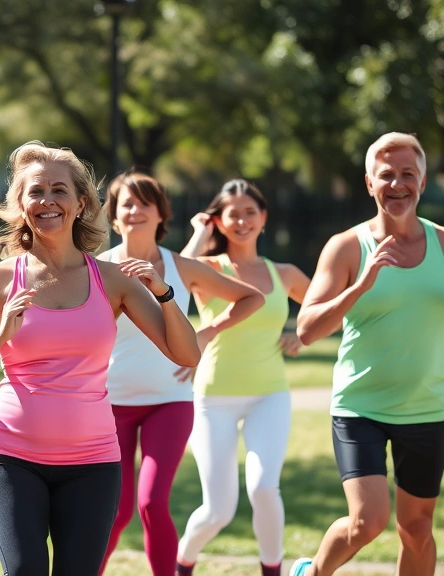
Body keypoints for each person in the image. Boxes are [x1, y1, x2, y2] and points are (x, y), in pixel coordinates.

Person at [0, 142, 205, 576]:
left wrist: (163, 293)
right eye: (35, 192)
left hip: (93, 464)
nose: (47, 201)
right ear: (20, 206)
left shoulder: (114, 279)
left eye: (59, 190)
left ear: (81, 203)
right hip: (12, 458)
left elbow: (186, 353)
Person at [289, 132, 444, 576]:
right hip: (361, 406)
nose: (398, 184)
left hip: (425, 409)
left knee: (416, 528)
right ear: (369, 183)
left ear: (423, 180)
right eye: (387, 175)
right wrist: (361, 285)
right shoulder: (346, 247)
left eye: (408, 174)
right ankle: (313, 571)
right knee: (367, 521)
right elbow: (306, 328)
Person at [96, 172, 266, 576]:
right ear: (115, 218)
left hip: (168, 403)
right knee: (114, 513)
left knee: (152, 503)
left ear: (161, 214)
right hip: (108, 405)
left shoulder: (182, 266)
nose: (135, 210)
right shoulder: (97, 269)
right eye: (126, 205)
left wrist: (204, 335)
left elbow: (251, 297)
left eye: (145, 203)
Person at [173, 179, 311, 576]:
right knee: (217, 510)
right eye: (232, 213)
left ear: (264, 218)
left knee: (264, 488)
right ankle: (182, 564)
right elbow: (173, 278)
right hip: (213, 396)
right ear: (220, 220)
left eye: (251, 211)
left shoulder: (283, 273)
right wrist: (200, 234)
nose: (242, 220)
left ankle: (273, 572)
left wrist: (302, 332)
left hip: (269, 395)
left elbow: (328, 303)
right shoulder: (209, 269)